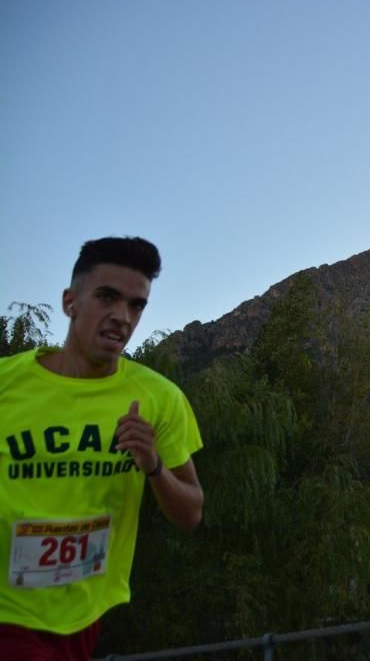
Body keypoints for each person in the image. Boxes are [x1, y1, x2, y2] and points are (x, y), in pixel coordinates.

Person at [0, 236, 204, 660]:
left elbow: (190, 513)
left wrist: (153, 466)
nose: (122, 316)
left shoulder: (159, 399)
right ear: (70, 302)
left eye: (136, 305)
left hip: (84, 617)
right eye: (107, 297)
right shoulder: (7, 385)